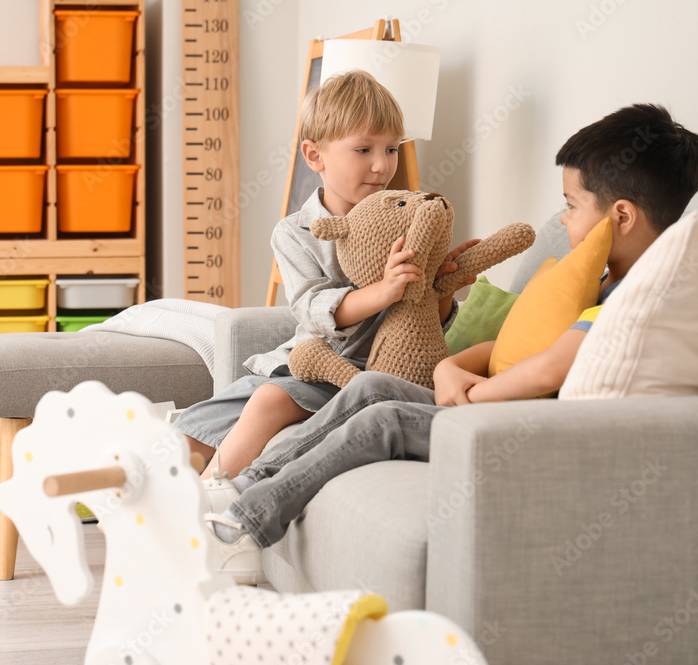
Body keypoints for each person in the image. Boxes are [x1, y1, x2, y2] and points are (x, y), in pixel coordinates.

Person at [204, 103, 698, 583]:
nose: (564, 221)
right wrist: (449, 368)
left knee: (386, 418)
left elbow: (551, 369)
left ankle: (248, 525)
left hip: (518, 425)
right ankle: (248, 481)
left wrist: (472, 396)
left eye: (570, 207)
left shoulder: (635, 298)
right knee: (373, 386)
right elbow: (512, 346)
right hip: (487, 403)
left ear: (624, 216)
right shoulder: (595, 278)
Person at [174, 69, 472, 485]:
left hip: (358, 372)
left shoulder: (410, 223)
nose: (382, 165)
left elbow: (426, 323)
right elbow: (313, 311)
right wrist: (383, 290)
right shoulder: (295, 232)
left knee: (270, 402)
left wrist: (443, 288)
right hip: (301, 363)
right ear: (315, 156)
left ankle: (211, 502)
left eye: (392, 149)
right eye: (364, 149)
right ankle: (157, 501)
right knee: (190, 430)